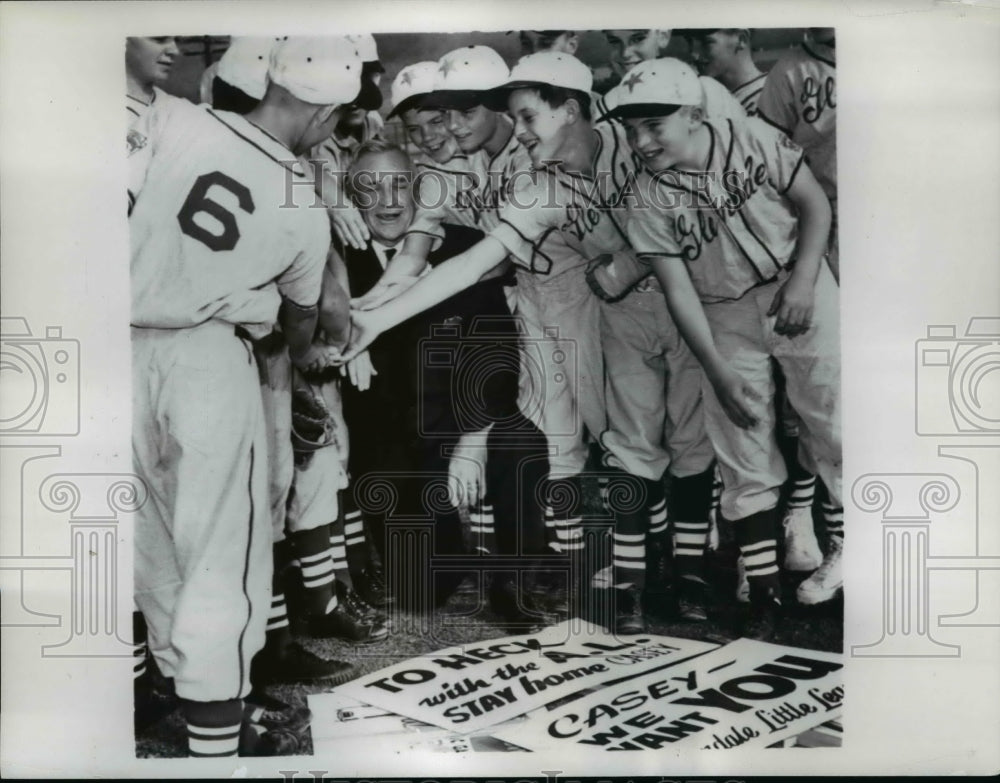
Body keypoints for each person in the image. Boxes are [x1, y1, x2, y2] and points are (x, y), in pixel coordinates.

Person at [130, 36, 362, 757]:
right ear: (324, 114)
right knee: (219, 551)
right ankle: (217, 745)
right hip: (208, 359)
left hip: (116, 346)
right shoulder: (301, 201)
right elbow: (299, 329)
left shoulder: (178, 118)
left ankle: (183, 699)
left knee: (149, 541)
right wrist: (296, 332)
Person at [601, 58, 842, 639]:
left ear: (694, 114)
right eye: (631, 129)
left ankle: (853, 549)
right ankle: (763, 592)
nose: (641, 140)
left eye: (655, 124)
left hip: (797, 282)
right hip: (722, 311)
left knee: (836, 420)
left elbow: (815, 205)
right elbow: (679, 291)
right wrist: (715, 368)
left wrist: (804, 279)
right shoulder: (646, 194)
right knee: (742, 443)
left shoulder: (751, 136)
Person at [358, 46, 607, 592]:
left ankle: (617, 561)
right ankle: (548, 562)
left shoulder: (539, 150)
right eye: (441, 115)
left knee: (607, 429)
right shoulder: (456, 164)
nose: (448, 127)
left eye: (461, 111)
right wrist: (371, 306)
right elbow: (423, 253)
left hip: (582, 292)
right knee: (546, 431)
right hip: (523, 297)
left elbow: (484, 262)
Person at [676, 29, 767, 115]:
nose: (694, 54)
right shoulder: (702, 98)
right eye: (689, 42)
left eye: (706, 42)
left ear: (741, 40)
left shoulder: (768, 100)